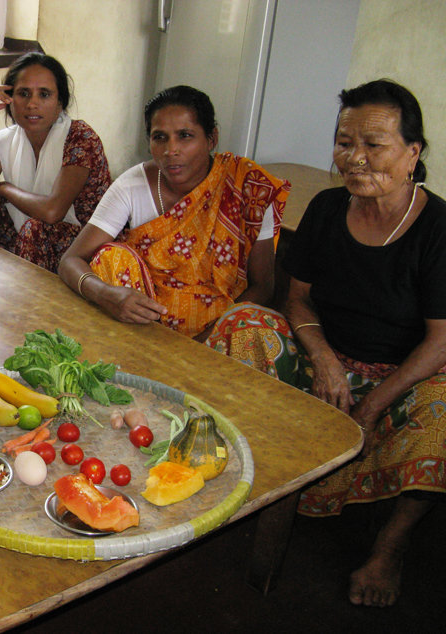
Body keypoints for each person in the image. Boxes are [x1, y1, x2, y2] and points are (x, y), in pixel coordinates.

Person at [206, 79, 446, 608]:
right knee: (242, 322)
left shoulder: (438, 229)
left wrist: (374, 403)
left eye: (374, 144)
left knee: (445, 409)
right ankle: (258, 470)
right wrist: (324, 361)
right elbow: (297, 301)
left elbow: (440, 342)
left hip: (401, 376)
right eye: (344, 142)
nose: (355, 158)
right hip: (326, 360)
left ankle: (390, 546)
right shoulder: (327, 209)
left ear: (413, 153)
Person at [58, 85, 290, 341]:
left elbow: (263, 286)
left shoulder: (246, 187)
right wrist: (107, 295)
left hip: (219, 328)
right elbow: (71, 261)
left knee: (262, 328)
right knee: (112, 258)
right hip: (143, 320)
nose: (171, 150)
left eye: (185, 136)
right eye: (160, 137)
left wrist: (205, 341)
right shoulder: (132, 186)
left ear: (211, 139)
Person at [0, 52, 112, 272]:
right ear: (9, 100)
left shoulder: (80, 138)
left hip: (86, 250)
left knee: (36, 229)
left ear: (60, 103)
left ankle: (29, 291)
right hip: (32, 241)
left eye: (44, 94)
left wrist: (4, 188)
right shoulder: (6, 141)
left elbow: (53, 211)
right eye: (23, 93)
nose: (32, 104)